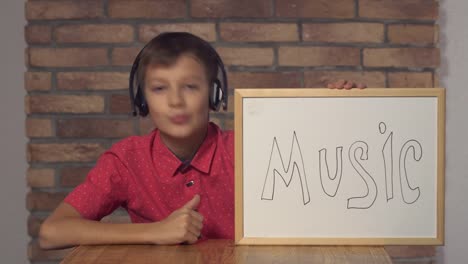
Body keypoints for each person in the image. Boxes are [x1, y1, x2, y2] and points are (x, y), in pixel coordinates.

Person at [39, 32, 365, 250]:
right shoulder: (126, 159)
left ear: (214, 94)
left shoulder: (246, 148)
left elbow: (319, 168)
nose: (176, 101)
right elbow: (52, 232)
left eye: (190, 87)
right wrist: (155, 232)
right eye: (159, 88)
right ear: (142, 99)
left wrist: (336, 114)